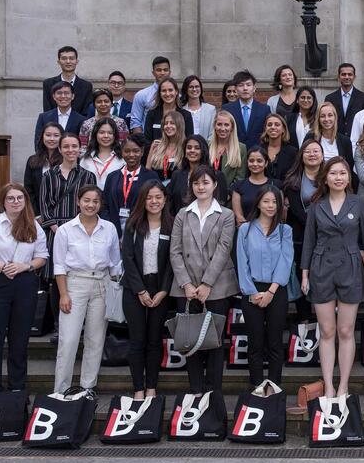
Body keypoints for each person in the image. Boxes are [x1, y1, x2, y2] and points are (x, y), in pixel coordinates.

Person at [301, 157, 364, 397]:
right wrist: (305, 274)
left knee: (345, 330)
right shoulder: (316, 206)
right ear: (325, 178)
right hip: (321, 269)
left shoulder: (357, 203)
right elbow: (308, 241)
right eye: (333, 173)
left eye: (343, 173)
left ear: (348, 177)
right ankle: (329, 385)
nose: (338, 177)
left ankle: (343, 384)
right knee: (326, 331)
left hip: (351, 268)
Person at [0, 183, 49, 391]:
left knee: (19, 340)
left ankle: (17, 389)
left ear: (25, 200)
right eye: (11, 198)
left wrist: (26, 266)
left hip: (25, 284)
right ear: (3, 202)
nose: (16, 202)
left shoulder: (34, 226)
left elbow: (42, 256)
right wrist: (2, 266)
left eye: (19, 198)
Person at [170, 166, 239, 395]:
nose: (201, 187)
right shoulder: (182, 214)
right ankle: (196, 390)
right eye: (196, 183)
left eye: (206, 182)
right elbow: (175, 251)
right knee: (189, 341)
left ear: (215, 185)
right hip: (186, 288)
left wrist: (207, 283)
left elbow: (223, 249)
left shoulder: (226, 215)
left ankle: (213, 392)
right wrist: (187, 284)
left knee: (215, 342)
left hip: (217, 286)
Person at [52, 185, 123, 395]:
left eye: (95, 201)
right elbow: (59, 265)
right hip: (75, 284)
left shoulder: (109, 228)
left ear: (100, 204)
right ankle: (61, 390)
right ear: (78, 201)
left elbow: (115, 263)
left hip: (101, 283)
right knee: (68, 340)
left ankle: (87, 387)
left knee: (95, 339)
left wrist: (115, 291)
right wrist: (63, 294)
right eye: (86, 200)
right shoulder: (65, 230)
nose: (91, 205)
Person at [40, 135, 97, 340]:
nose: (70, 150)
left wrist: (77, 229)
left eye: (74, 146)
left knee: (78, 274)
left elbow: (91, 204)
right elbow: (44, 206)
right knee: (58, 277)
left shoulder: (88, 176)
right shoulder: (49, 175)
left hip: (81, 230)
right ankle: (59, 326)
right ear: (60, 149)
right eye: (66, 146)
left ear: (80, 149)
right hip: (55, 230)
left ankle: (80, 324)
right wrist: (58, 229)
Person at [120, 181, 173, 399]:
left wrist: (164, 290)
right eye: (149, 197)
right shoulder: (133, 224)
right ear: (143, 200)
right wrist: (140, 291)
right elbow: (127, 258)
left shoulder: (171, 225)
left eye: (158, 197)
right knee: (137, 340)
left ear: (165, 199)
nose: (154, 201)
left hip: (160, 289)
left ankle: (151, 387)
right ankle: (138, 389)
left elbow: (172, 261)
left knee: (154, 340)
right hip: (134, 289)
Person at [236, 185, 293, 387]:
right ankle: (257, 387)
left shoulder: (285, 230)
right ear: (258, 203)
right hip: (251, 290)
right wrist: (251, 292)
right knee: (255, 343)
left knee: (275, 342)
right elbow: (241, 263)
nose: (270, 205)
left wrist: (270, 291)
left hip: (276, 290)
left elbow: (286, 261)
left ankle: (274, 388)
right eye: (266, 201)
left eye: (275, 202)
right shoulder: (245, 229)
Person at [282, 139, 325, 324]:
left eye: (316, 151)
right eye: (308, 151)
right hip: (301, 237)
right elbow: (297, 211)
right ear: (301, 155)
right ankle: (304, 318)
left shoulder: (330, 177)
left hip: (327, 237)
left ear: (322, 155)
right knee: (302, 276)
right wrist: (319, 225)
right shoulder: (293, 180)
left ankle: (324, 319)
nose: (312, 154)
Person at [103, 136, 155, 236]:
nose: (131, 155)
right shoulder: (112, 177)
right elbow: (105, 204)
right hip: (113, 229)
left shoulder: (150, 176)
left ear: (142, 152)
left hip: (140, 230)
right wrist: (109, 227)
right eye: (127, 151)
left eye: (136, 151)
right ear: (122, 152)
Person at [167, 135, 229, 214]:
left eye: (197, 148)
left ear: (203, 151)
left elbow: (222, 203)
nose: (192, 150)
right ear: (185, 152)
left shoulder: (217, 175)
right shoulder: (177, 175)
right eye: (189, 147)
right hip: (181, 219)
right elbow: (171, 202)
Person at [224, 70, 271, 149]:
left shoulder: (264, 109)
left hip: (257, 152)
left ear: (254, 88)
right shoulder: (227, 109)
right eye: (241, 85)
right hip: (234, 151)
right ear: (235, 89)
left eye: (248, 85)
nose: (245, 88)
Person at [25, 122, 63, 217]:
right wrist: (37, 215)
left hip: (62, 214)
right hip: (38, 215)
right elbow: (29, 190)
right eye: (48, 135)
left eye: (56, 135)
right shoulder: (32, 160)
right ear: (42, 137)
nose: (52, 139)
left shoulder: (67, 161)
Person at [42, 45, 92, 114]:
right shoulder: (48, 84)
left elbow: (86, 112)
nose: (68, 61)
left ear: (77, 61)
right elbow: (47, 111)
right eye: (64, 58)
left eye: (71, 58)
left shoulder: (86, 86)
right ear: (58, 62)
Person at [129, 56, 171, 134]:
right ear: (153, 73)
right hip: (148, 139)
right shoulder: (141, 95)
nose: (162, 73)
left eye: (165, 70)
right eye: (159, 70)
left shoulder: (177, 96)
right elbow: (135, 122)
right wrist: (142, 141)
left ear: (169, 72)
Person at [144, 77, 194, 144]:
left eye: (170, 90)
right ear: (160, 93)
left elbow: (189, 142)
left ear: (176, 92)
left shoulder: (186, 115)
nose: (167, 94)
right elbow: (147, 141)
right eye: (164, 91)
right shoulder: (152, 114)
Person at [79, 118, 125, 190]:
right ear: (95, 134)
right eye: (101, 132)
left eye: (110, 133)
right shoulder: (86, 159)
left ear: (115, 135)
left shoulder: (122, 159)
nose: (106, 136)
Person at [324, 62, 364, 135]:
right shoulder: (330, 98)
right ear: (338, 77)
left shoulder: (363, 98)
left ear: (354, 77)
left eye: (350, 74)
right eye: (343, 74)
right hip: (336, 138)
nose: (347, 77)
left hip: (357, 138)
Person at [231, 147, 271, 224]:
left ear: (266, 163)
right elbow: (239, 217)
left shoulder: (275, 184)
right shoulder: (238, 186)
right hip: (246, 228)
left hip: (271, 229)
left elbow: (279, 213)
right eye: (251, 161)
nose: (255, 164)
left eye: (259, 161)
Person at [209, 110, 247, 187]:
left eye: (226, 125)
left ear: (232, 127)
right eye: (219, 124)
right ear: (214, 126)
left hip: (229, 193)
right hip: (207, 191)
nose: (222, 128)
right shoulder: (207, 145)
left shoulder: (241, 148)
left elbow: (240, 177)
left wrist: (227, 192)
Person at [146, 111, 185, 185]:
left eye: (172, 123)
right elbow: (148, 170)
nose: (168, 126)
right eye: (166, 123)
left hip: (178, 189)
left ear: (180, 125)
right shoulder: (156, 145)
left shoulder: (185, 147)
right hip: (157, 188)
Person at [260, 113, 298, 183]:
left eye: (277, 125)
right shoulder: (259, 150)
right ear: (265, 129)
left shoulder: (292, 152)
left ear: (283, 129)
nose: (273, 127)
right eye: (269, 125)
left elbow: (293, 178)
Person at [180, 75, 217, 141]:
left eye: (197, 86)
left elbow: (213, 133)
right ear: (186, 89)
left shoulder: (211, 109)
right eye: (191, 87)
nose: (194, 89)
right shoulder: (181, 110)